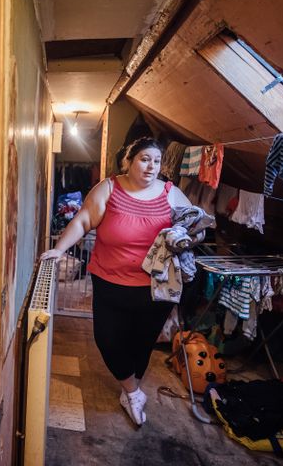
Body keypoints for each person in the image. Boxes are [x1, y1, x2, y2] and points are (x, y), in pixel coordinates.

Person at [41, 137, 191, 426]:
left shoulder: (171, 193)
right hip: (110, 282)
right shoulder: (109, 188)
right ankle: (133, 392)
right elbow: (83, 220)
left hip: (154, 288)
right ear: (130, 161)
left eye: (156, 161)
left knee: (142, 344)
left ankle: (130, 390)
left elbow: (193, 223)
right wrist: (59, 250)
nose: (151, 166)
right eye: (144, 159)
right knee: (108, 339)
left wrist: (185, 234)